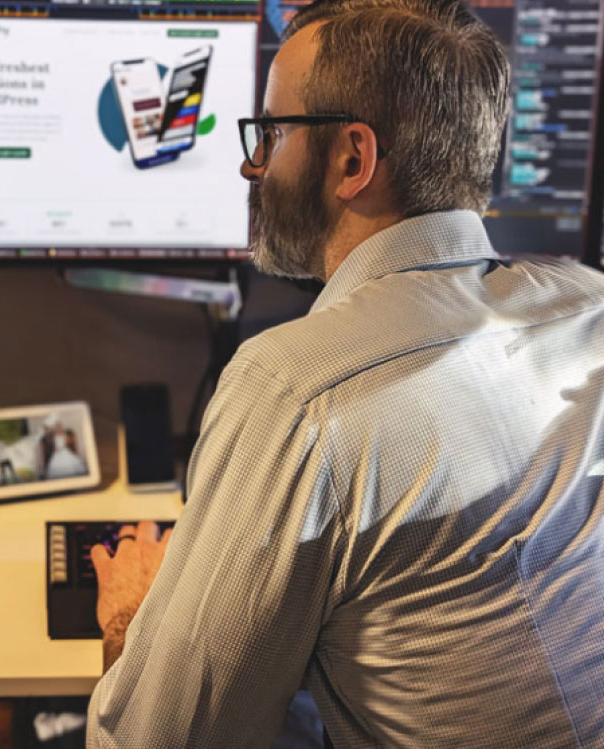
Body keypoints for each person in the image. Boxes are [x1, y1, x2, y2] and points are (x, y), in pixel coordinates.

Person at [86, 0, 604, 746]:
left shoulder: (296, 392)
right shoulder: (586, 308)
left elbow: (162, 741)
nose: (249, 162)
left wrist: (131, 625)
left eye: (269, 133)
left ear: (352, 160)